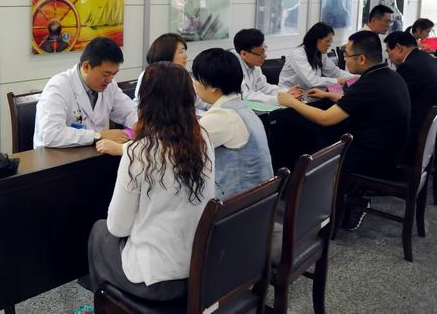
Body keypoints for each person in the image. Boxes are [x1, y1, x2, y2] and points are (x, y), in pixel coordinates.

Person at [87, 62, 214, 301]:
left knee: (100, 231)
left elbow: (118, 227)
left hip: (157, 281)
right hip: (199, 269)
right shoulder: (203, 139)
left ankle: (108, 304)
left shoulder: (139, 152)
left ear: (146, 101)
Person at [278, 31, 410, 230]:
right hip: (391, 151)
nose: (345, 60)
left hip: (372, 159)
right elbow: (359, 100)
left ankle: (318, 215)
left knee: (314, 146)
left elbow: (325, 118)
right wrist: (328, 95)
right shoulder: (389, 75)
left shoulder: (369, 83)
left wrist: (291, 102)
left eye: (347, 55)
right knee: (320, 137)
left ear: (362, 59)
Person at [192, 48, 273, 199]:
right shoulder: (243, 109)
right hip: (260, 201)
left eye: (196, 79)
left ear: (212, 86)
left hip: (237, 204)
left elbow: (182, 149)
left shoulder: (222, 116)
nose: (194, 84)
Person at [34, 37, 137, 149]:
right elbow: (51, 134)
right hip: (57, 156)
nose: (110, 80)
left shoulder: (110, 87)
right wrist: (98, 135)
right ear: (86, 66)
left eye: (114, 74)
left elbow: (129, 112)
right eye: (105, 74)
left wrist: (138, 124)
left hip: (95, 153)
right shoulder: (58, 87)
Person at [385, 31, 437, 163]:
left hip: (416, 127)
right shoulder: (425, 57)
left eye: (388, 52)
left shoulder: (408, 66)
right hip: (431, 121)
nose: (389, 57)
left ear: (398, 48)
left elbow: (399, 100)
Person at [232, 28, 302, 104]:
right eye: (260, 53)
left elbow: (264, 88)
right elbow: (245, 96)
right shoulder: (231, 66)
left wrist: (286, 92)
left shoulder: (253, 64)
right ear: (244, 54)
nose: (265, 56)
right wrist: (279, 99)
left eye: (264, 51)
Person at [279, 22, 355, 89]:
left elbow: (335, 73)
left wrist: (356, 78)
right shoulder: (298, 54)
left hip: (308, 93)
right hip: (289, 93)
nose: (329, 44)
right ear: (316, 40)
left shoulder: (321, 53)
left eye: (331, 41)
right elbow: (312, 81)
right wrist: (338, 81)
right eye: (327, 41)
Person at [133, 33, 188, 102]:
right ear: (167, 53)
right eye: (181, 52)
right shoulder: (149, 76)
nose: (185, 56)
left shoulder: (184, 76)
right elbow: (141, 103)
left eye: (184, 52)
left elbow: (196, 101)